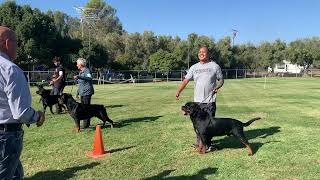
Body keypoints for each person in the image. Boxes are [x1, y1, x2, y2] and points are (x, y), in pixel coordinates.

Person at [0, 26, 45, 179]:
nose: (18, 47)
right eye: (16, 42)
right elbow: (21, 112)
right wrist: (38, 116)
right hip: (7, 136)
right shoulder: (10, 69)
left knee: (16, 173)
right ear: (6, 43)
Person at [175, 46, 224, 151]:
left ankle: (209, 145)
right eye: (199, 52)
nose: (201, 53)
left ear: (208, 54)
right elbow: (185, 80)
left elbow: (221, 80)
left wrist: (217, 87)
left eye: (204, 52)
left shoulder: (215, 66)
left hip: (210, 101)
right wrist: (179, 91)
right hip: (197, 102)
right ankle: (199, 144)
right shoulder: (194, 67)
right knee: (197, 123)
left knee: (209, 124)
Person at [73, 58, 94, 129]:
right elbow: (80, 84)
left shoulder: (87, 70)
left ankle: (86, 124)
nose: (76, 65)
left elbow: (89, 78)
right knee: (83, 108)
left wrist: (79, 77)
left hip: (87, 92)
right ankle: (85, 124)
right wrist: (77, 93)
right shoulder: (81, 72)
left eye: (77, 64)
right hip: (82, 93)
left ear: (81, 64)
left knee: (86, 108)